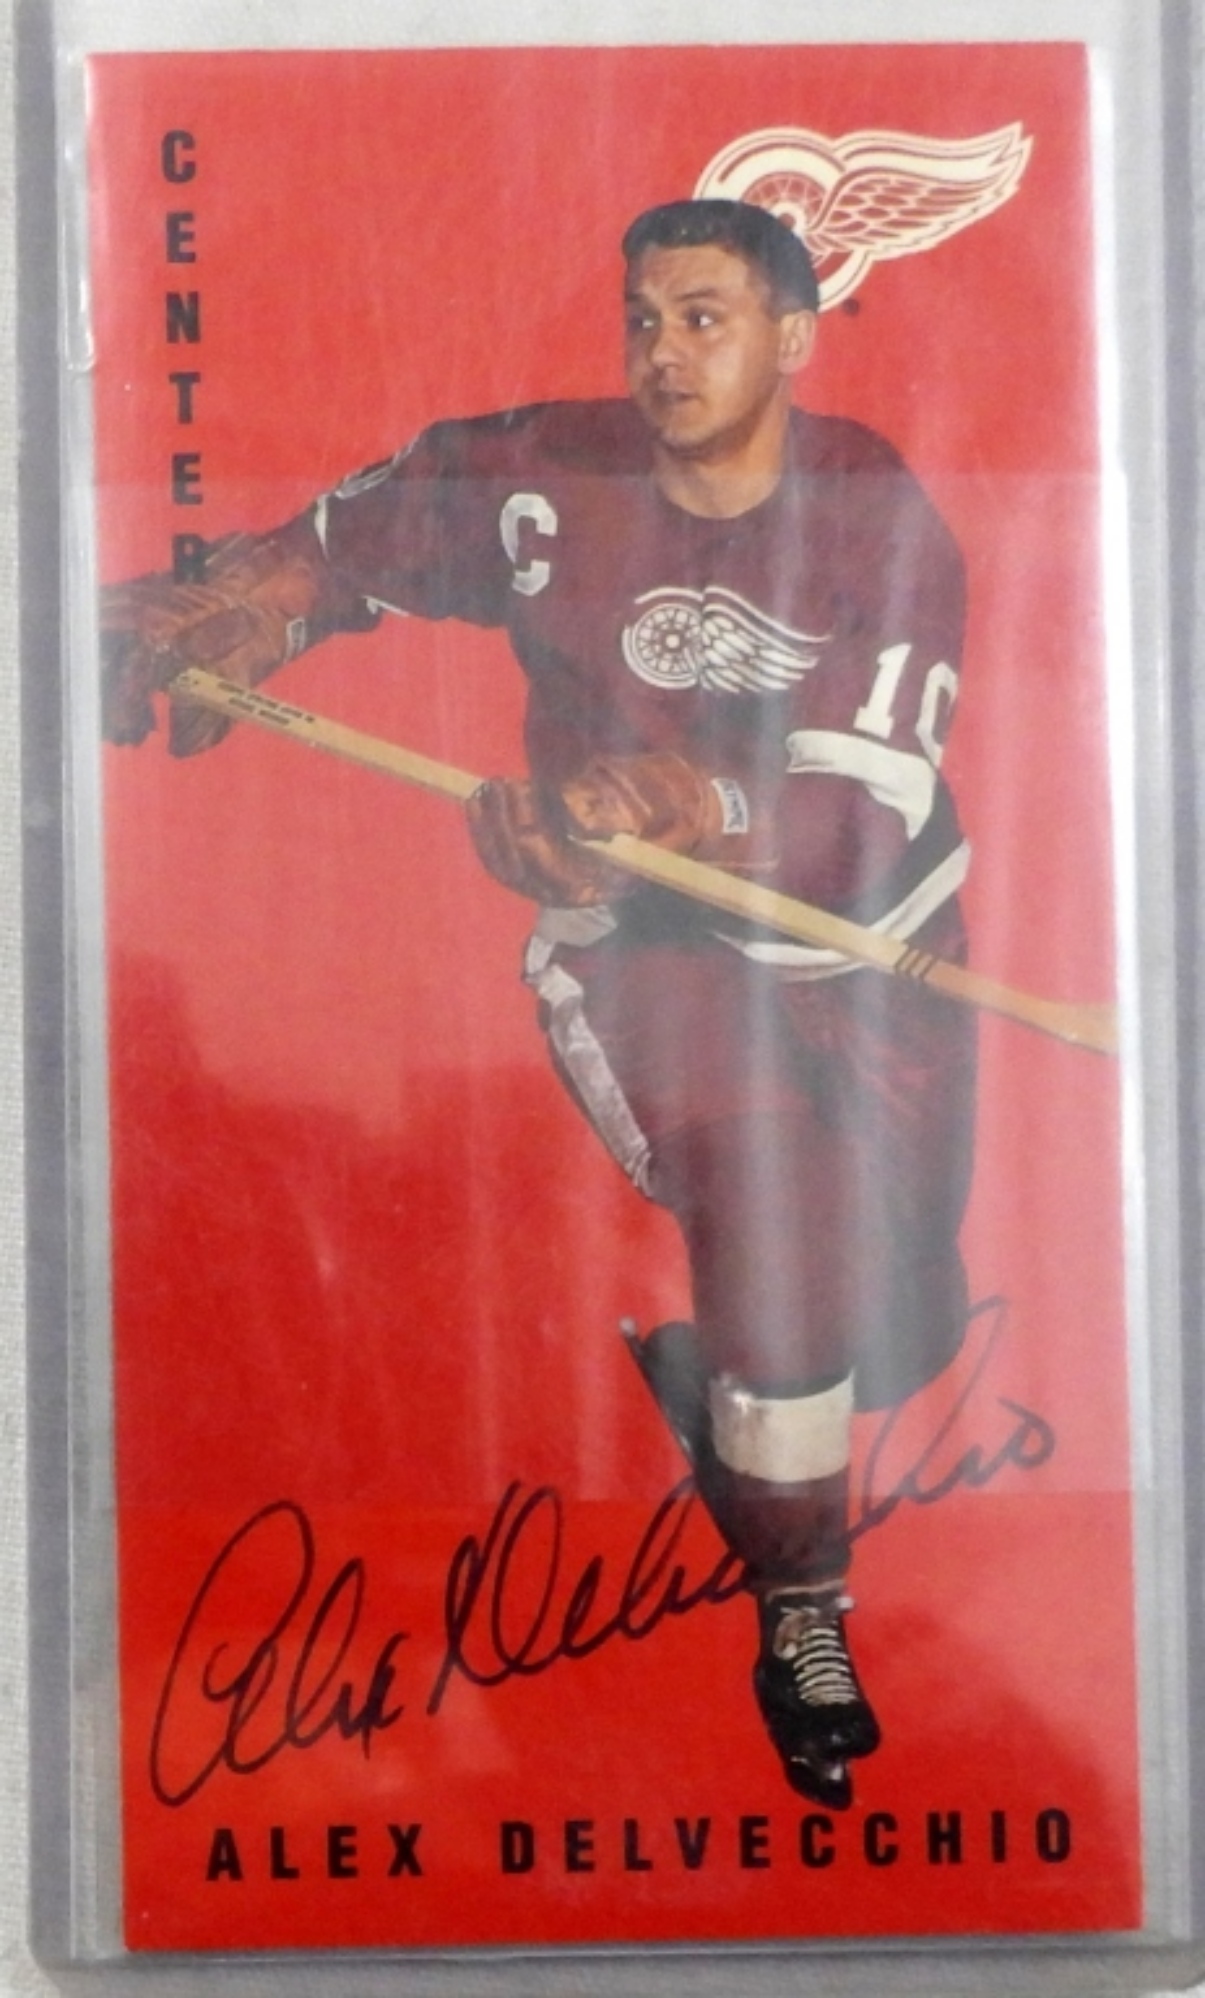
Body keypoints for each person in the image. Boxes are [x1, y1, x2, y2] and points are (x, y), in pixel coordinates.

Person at [101, 198, 977, 1809]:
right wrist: (254, 601)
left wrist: (682, 802)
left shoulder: (875, 512)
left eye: (703, 319)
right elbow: (344, 547)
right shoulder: (546, 472)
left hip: (861, 956)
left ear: (792, 337)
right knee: (774, 1213)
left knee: (893, 1324)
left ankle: (759, 1390)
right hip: (649, 944)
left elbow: (859, 816)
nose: (662, 353)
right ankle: (804, 1610)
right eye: (643, 318)